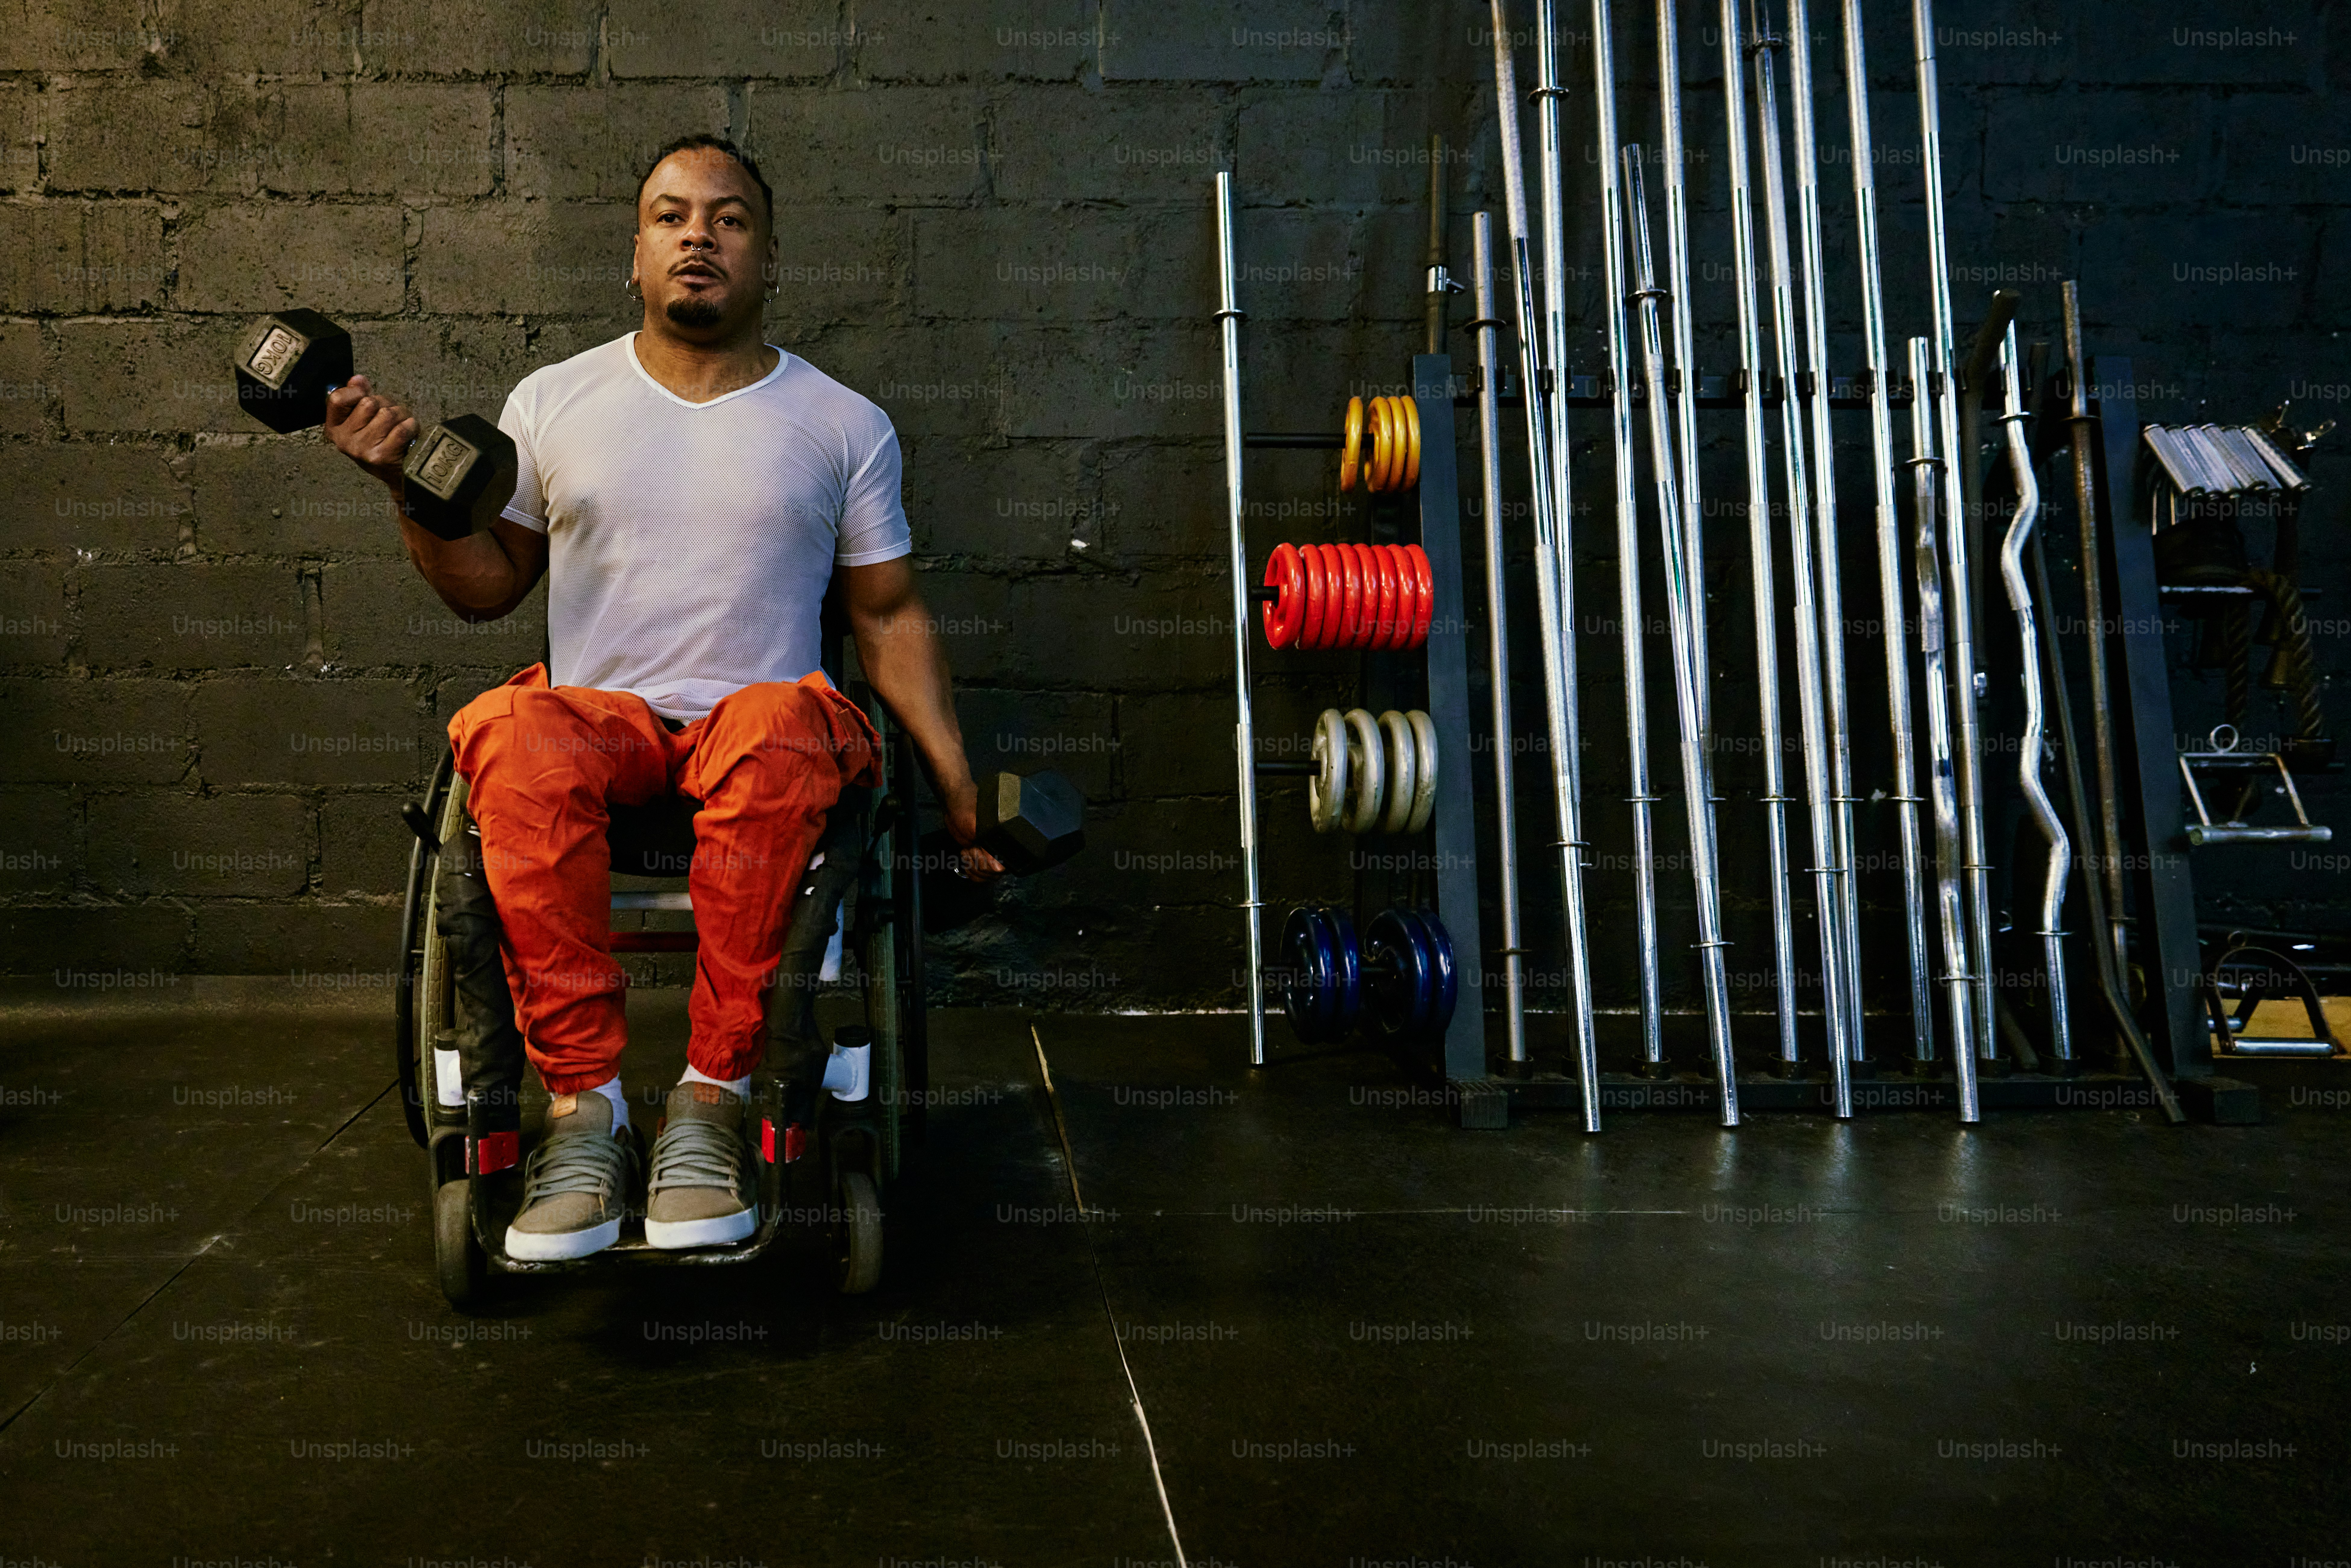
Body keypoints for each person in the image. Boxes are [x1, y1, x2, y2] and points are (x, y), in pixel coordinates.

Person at [324, 134, 1000, 1261]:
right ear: (634, 254)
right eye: (671, 217)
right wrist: (405, 488)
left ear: (768, 258)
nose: (699, 237)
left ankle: (709, 1104)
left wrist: (958, 786)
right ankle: (584, 1114)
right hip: (603, 734)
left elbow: (886, 616)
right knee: (509, 729)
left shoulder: (844, 422)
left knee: (780, 723)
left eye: (729, 220)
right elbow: (486, 588)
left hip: (763, 735)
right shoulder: (552, 400)